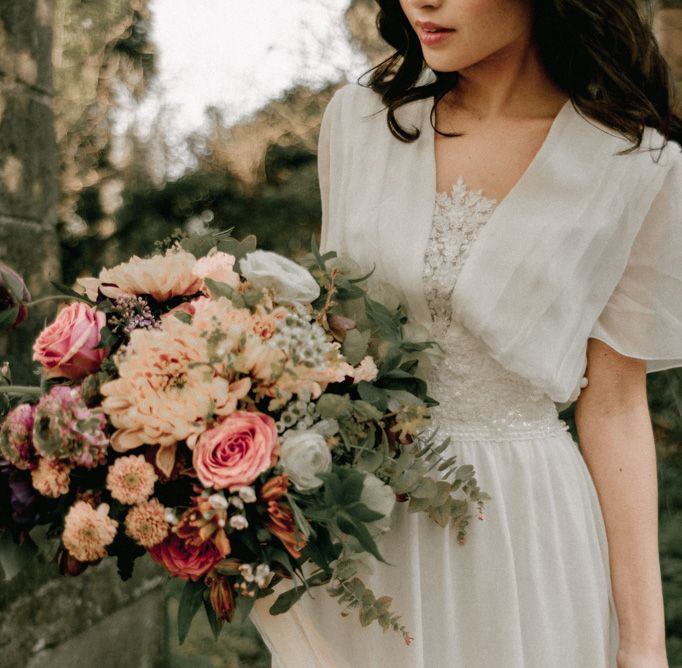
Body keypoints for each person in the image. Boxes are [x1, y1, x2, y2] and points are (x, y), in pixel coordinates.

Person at [250, 0, 682, 666]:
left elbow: (617, 405)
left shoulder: (633, 163)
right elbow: (326, 349)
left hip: (524, 534)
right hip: (367, 522)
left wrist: (645, 645)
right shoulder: (358, 123)